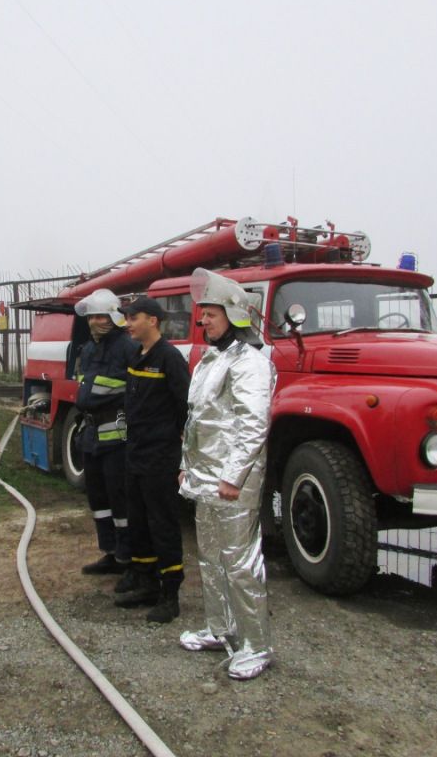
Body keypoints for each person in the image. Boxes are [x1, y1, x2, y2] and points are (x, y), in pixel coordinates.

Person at [178, 268, 276, 681]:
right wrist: (186, 467)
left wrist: (234, 477)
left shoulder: (250, 364)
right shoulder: (209, 361)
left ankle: (257, 645)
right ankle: (221, 629)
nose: (203, 322)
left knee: (239, 564)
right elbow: (197, 420)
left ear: (235, 314)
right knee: (211, 558)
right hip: (205, 478)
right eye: (202, 315)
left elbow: (253, 425)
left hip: (235, 483)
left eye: (211, 315)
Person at [113, 296, 190, 623]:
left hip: (160, 457)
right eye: (128, 318)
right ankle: (145, 582)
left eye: (134, 318)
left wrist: (176, 450)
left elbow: (186, 408)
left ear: (153, 321)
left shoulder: (169, 358)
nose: (128, 324)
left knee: (163, 524)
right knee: (139, 521)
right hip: (135, 453)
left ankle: (170, 595)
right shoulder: (137, 355)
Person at [73, 288, 138, 576]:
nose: (94, 322)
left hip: (117, 431)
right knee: (98, 497)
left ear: (113, 317)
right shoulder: (88, 350)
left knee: (120, 496)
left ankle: (129, 556)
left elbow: (134, 389)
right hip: (92, 432)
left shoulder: (127, 346)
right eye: (90, 317)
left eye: (100, 316)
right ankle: (110, 552)